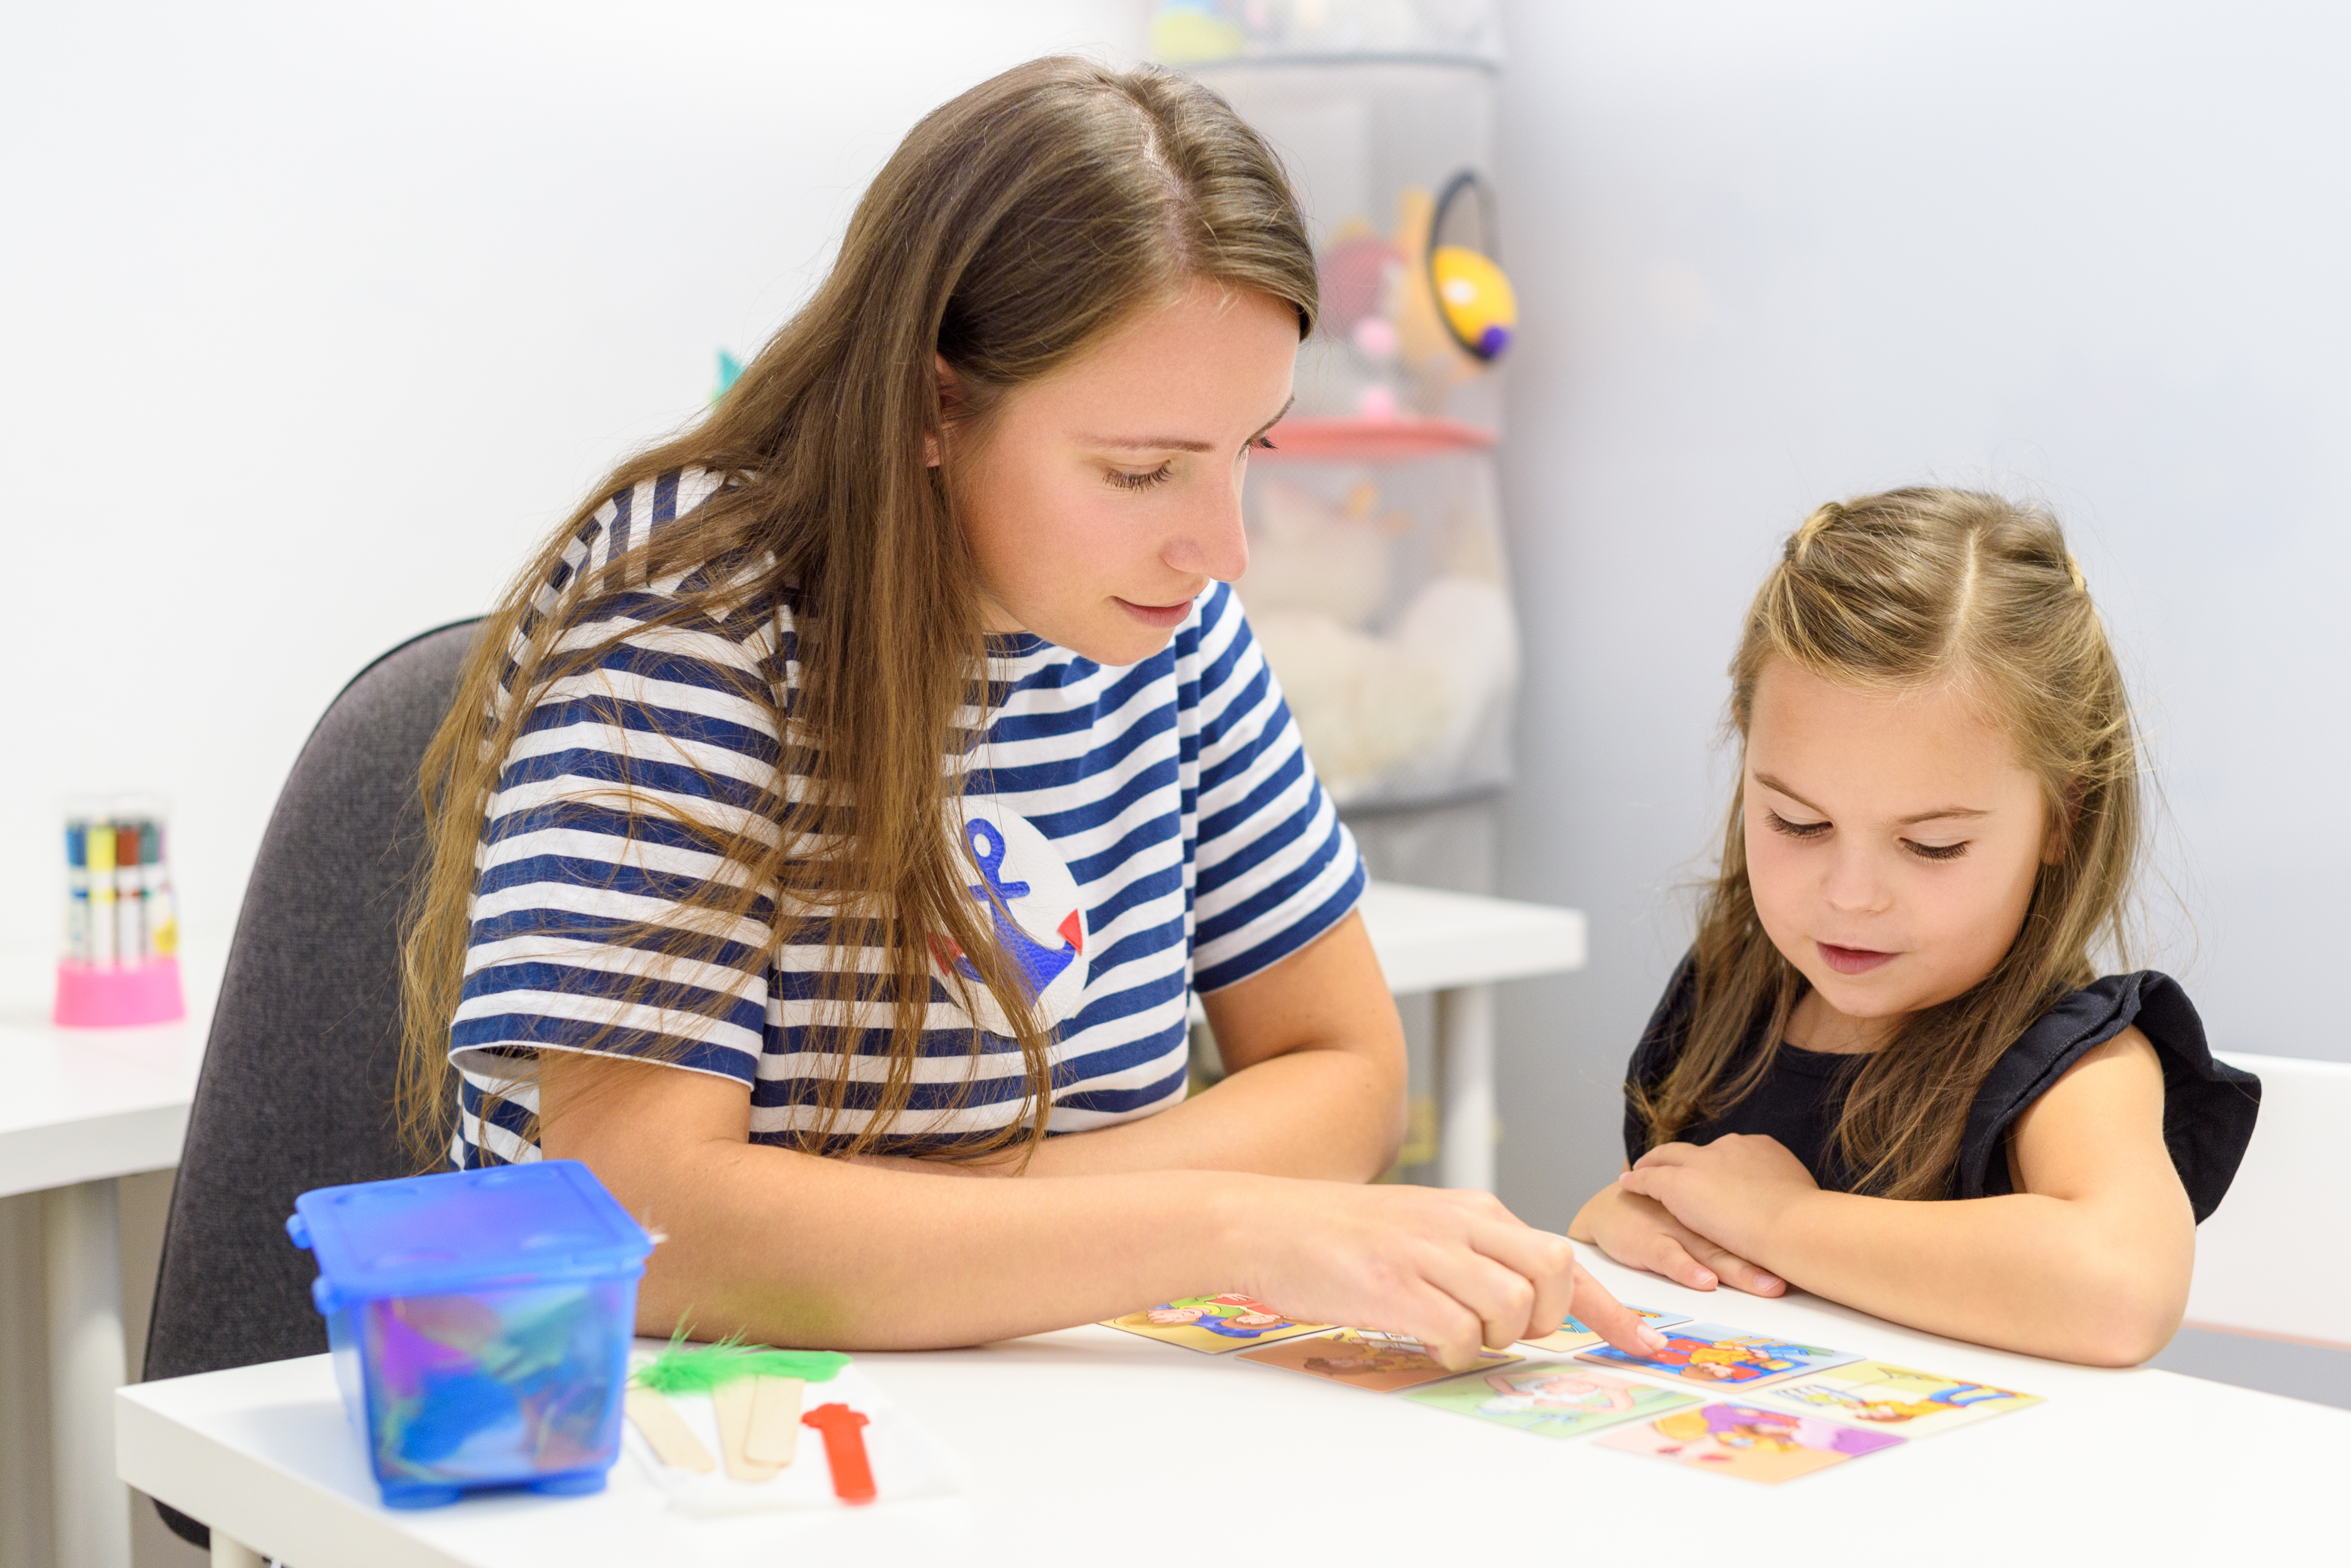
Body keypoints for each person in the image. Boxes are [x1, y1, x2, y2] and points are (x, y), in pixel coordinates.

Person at [395, 56, 1657, 1371]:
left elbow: (1346, 1073)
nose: (1223, 550)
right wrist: (1209, 1225)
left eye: (1253, 449)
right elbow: (641, 1220)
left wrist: (932, 1232)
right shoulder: (680, 622)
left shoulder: (1169, 624)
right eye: (1139, 470)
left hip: (1042, 1395)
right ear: (936, 404)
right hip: (699, 1426)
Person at [1570, 488, 2260, 1366]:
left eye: (1931, 845)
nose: (1851, 895)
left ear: (2059, 817)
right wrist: (1613, 1217)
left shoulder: (2072, 1060)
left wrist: (1779, 1219)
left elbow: (2120, 1290)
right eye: (1797, 823)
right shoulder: (1730, 998)